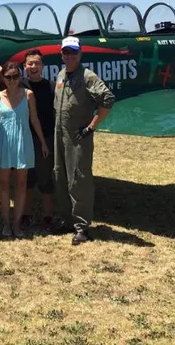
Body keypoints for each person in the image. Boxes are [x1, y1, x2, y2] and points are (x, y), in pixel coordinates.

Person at [53, 36, 115, 246]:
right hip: (59, 134)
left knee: (79, 179)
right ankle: (67, 220)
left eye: (73, 52)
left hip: (78, 137)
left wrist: (91, 126)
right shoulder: (62, 75)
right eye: (65, 52)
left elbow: (108, 99)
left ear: (80, 54)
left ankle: (82, 228)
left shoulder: (87, 76)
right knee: (60, 176)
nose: (69, 56)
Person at [0, 61, 49, 239]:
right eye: (8, 77)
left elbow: (35, 119)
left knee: (22, 185)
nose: (12, 80)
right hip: (4, 142)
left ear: (20, 76)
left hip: (23, 141)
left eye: (16, 76)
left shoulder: (28, 94)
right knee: (4, 184)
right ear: (3, 78)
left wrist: (43, 142)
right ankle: (6, 223)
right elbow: (3, 121)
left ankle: (17, 224)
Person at [18, 49, 57, 232]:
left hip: (45, 141)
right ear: (24, 66)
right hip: (25, 140)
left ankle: (48, 216)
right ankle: (26, 215)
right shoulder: (18, 85)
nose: (33, 67)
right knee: (27, 180)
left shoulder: (51, 86)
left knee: (45, 178)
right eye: (30, 63)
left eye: (37, 63)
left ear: (42, 66)